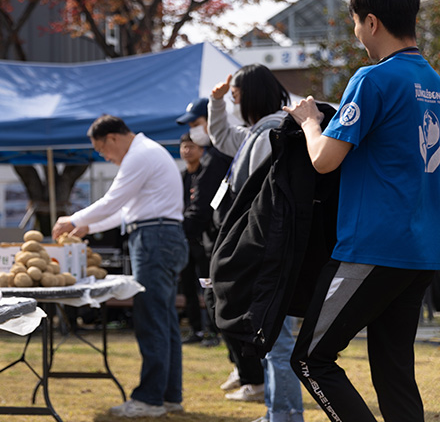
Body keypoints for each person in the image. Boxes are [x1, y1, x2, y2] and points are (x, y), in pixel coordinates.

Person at [284, 0, 440, 422]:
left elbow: (324, 160)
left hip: (373, 247)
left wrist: (309, 121)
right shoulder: (433, 81)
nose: (356, 34)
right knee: (394, 372)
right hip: (421, 250)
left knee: (310, 359)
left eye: (354, 23)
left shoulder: (372, 79)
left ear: (371, 22)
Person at [52, 115, 187, 418]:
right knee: (163, 319)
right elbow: (126, 210)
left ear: (112, 138)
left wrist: (74, 219)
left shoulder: (139, 155)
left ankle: (150, 399)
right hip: (161, 234)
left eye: (102, 150)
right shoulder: (147, 151)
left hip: (154, 238)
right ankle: (168, 396)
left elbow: (113, 200)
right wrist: (87, 226)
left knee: (152, 317)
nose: (106, 158)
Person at [209, 64, 303, 422]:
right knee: (273, 339)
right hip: (269, 247)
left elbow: (267, 198)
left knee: (278, 341)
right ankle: (278, 412)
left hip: (268, 248)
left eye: (236, 96)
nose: (233, 100)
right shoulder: (259, 132)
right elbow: (222, 138)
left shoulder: (272, 132)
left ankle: (286, 415)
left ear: (252, 94)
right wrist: (216, 104)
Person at [176, 98, 231, 347]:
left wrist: (175, 232)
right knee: (194, 288)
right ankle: (200, 330)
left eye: (196, 124)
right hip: (198, 240)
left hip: (211, 241)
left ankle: (213, 332)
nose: (188, 147)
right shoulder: (183, 175)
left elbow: (200, 210)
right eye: (184, 145)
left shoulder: (217, 158)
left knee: (211, 289)